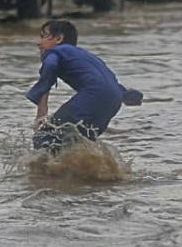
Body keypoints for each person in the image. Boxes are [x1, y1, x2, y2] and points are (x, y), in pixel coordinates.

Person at [25, 20, 143, 153]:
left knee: (45, 137)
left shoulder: (54, 52)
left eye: (44, 36)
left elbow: (50, 67)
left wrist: (42, 111)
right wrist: (127, 95)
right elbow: (106, 82)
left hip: (93, 96)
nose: (38, 43)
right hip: (114, 101)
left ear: (59, 38)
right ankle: (96, 172)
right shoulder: (85, 55)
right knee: (77, 143)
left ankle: (46, 172)